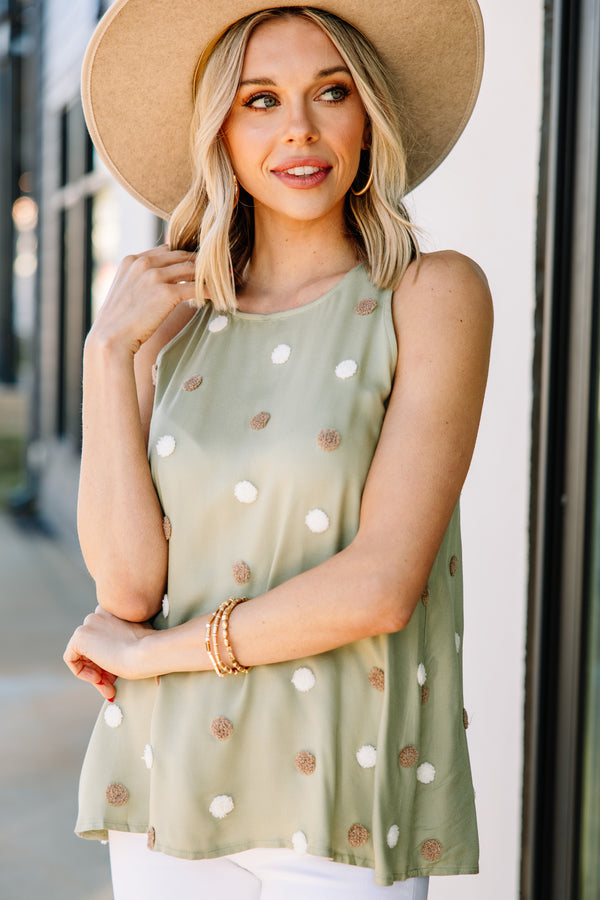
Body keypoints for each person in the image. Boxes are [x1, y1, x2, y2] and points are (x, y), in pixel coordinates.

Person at [64, 1, 492, 898]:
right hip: (165, 782)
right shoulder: (168, 319)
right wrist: (108, 358)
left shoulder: (430, 295)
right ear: (217, 126)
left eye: (329, 92)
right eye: (260, 99)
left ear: (367, 115)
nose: (298, 130)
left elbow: (380, 587)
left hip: (338, 780)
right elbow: (129, 589)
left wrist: (150, 658)